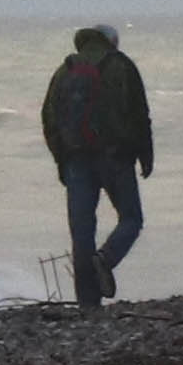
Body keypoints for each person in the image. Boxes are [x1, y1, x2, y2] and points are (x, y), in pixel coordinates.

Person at [38, 25, 154, 307]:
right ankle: (107, 258)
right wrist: (145, 155)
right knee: (131, 219)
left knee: (81, 233)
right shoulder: (121, 66)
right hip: (116, 157)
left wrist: (61, 160)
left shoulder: (65, 71)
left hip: (77, 160)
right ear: (112, 42)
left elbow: (49, 118)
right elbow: (140, 114)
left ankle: (87, 304)